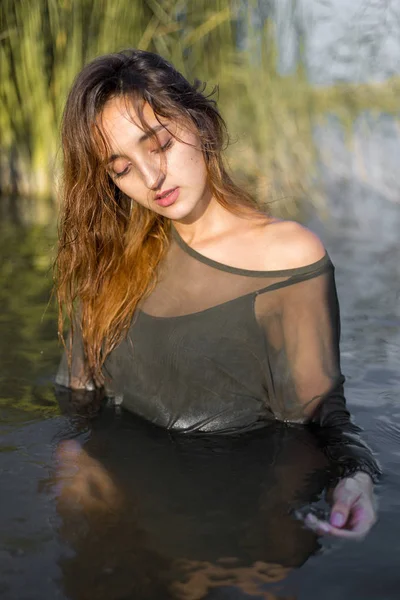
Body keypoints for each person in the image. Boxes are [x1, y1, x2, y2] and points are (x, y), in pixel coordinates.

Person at [55, 49, 381, 542]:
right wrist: (69, 457)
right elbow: (79, 396)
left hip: (236, 517)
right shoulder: (110, 261)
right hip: (120, 515)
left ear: (201, 121)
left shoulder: (287, 256)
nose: (150, 178)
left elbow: (320, 414)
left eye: (160, 144)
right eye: (121, 168)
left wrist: (356, 476)